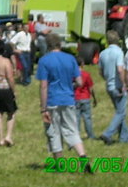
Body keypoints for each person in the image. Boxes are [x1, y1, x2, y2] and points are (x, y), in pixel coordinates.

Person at [37, 34, 90, 169]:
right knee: (72, 130)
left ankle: (59, 164)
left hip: (52, 100)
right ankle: (82, 156)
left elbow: (43, 85)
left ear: (48, 46)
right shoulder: (71, 58)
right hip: (68, 99)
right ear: (60, 44)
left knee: (53, 131)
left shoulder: (44, 61)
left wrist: (43, 108)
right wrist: (70, 87)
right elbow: (79, 81)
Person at [98, 30, 128, 144]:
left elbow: (100, 71)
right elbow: (120, 69)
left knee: (119, 112)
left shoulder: (102, 53)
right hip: (118, 86)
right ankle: (108, 133)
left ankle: (125, 138)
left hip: (109, 86)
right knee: (121, 113)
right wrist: (124, 84)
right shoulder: (119, 52)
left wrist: (107, 79)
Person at [75, 57, 97, 140]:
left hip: (75, 98)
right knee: (87, 117)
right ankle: (90, 135)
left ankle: (76, 136)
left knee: (76, 118)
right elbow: (91, 88)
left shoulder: (72, 75)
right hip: (85, 98)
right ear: (82, 64)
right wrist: (94, 98)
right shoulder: (86, 74)